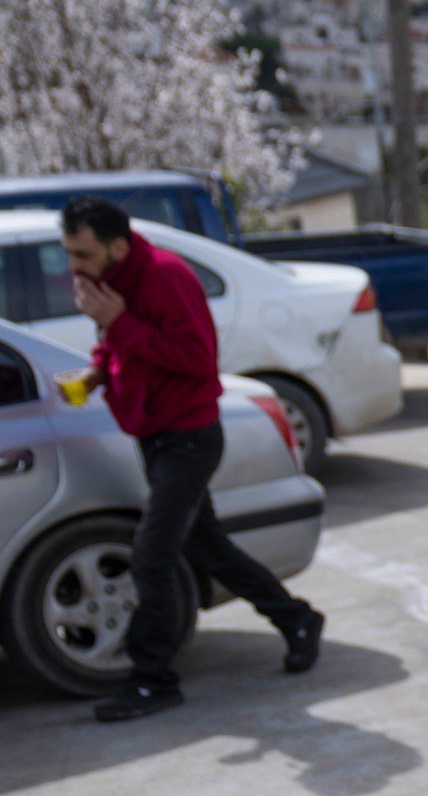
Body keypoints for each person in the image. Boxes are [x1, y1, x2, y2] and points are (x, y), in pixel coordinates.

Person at [60, 196, 323, 722]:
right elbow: (116, 343)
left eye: (83, 254)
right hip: (155, 435)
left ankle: (153, 680)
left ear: (117, 245)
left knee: (152, 556)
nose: (74, 266)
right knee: (209, 548)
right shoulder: (112, 281)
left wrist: (120, 321)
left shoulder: (165, 277)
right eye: (69, 253)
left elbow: (196, 359)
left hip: (189, 437)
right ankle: (296, 619)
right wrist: (96, 372)